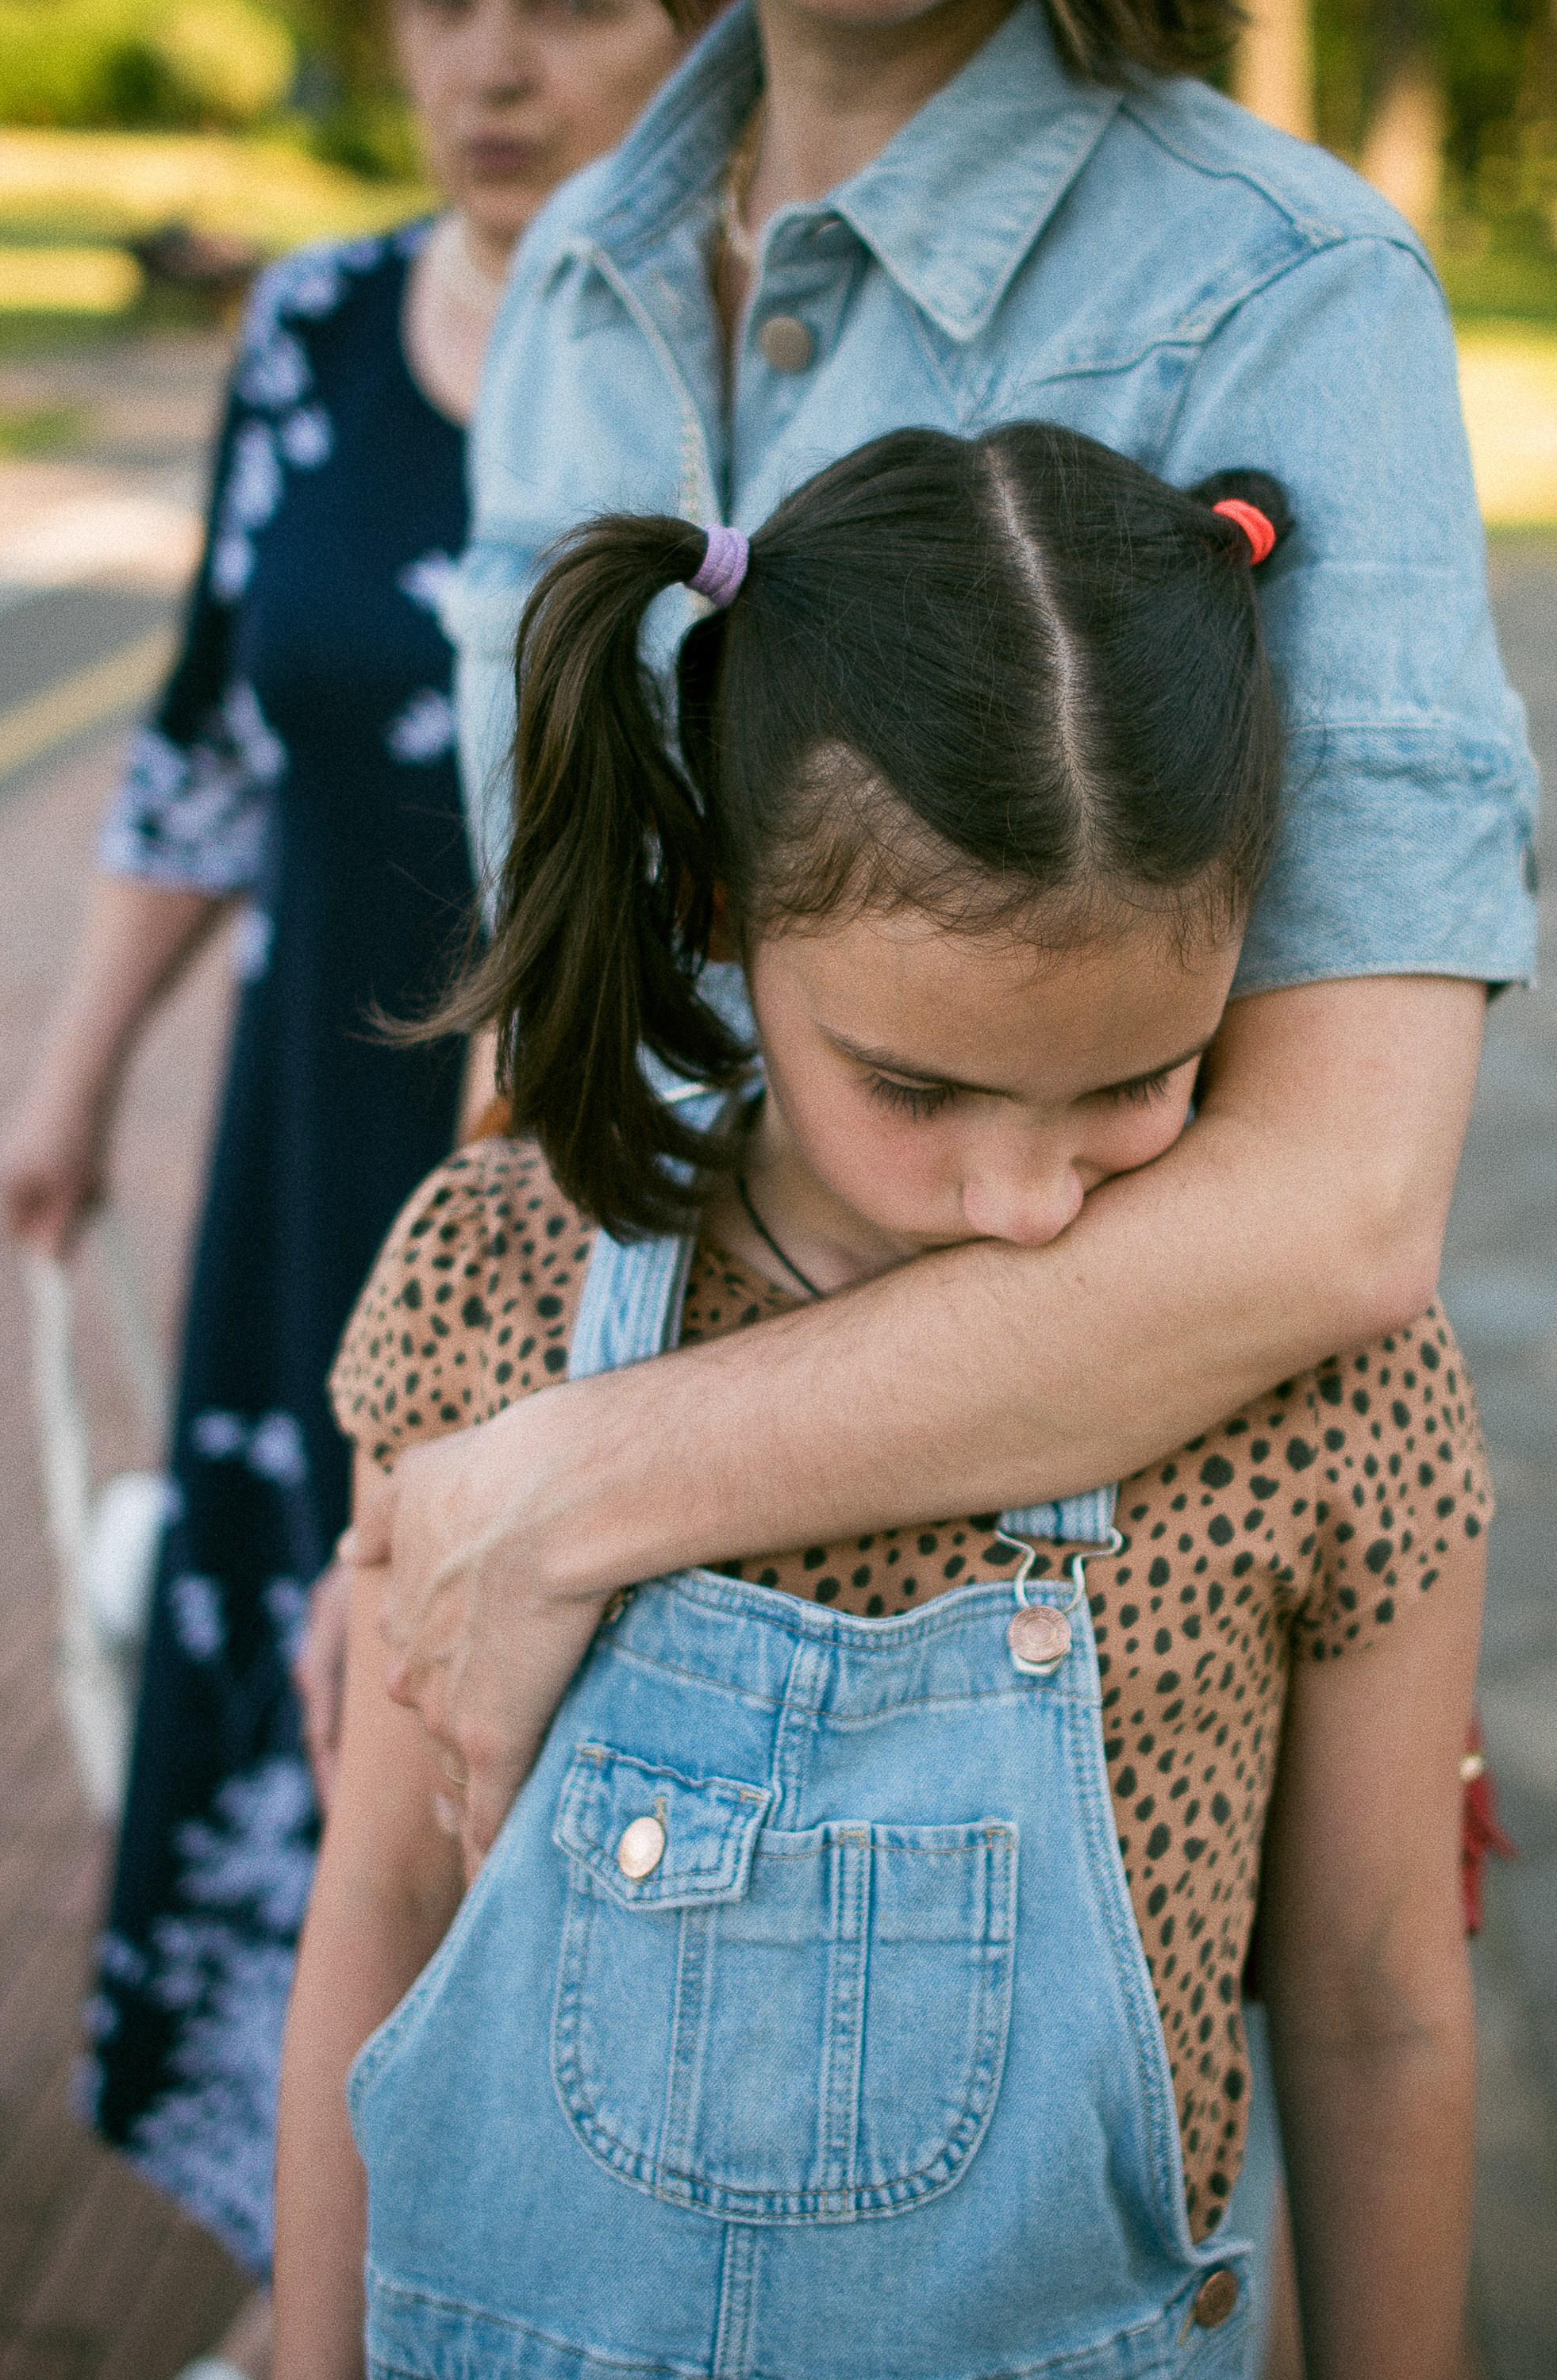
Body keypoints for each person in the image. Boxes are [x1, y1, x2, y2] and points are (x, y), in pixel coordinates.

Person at [279, 426, 1486, 2380]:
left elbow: (1372, 2004)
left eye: (1141, 1079)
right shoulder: (494, 1278)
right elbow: (386, 1899)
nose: (1026, 1206)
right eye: (917, 1092)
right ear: (725, 909)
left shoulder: (1325, 1394)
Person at [350, 0, 1536, 1905]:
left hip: (1073, 1701)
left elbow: (1341, 1197)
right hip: (570, 1672)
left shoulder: (1285, 286)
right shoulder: (580, 269)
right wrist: (409, 1503)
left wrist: (564, 1489)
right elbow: (557, 978)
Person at [0, 0, 693, 2321]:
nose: (485, 65)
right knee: (302, 1727)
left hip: (605, 1209)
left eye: (566, 6)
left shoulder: (730, 350)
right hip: (314, 1165)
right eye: (439, 4)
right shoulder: (306, 327)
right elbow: (205, 741)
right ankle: (326, 2279)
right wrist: (74, 1082)